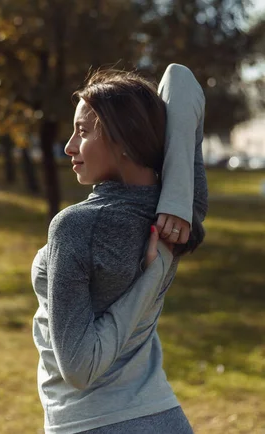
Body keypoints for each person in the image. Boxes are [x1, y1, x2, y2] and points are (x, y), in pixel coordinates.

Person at [31, 63, 208, 434]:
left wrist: (150, 279)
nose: (69, 147)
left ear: (123, 139)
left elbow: (80, 368)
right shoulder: (180, 214)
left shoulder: (77, 226)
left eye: (82, 132)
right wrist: (174, 197)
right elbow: (182, 81)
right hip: (163, 415)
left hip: (93, 422)